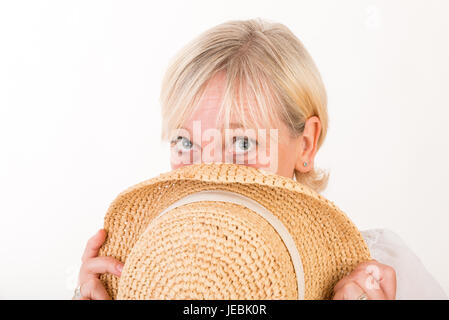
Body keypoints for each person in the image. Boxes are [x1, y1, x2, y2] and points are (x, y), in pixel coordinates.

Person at [73, 18, 447, 300]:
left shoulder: (381, 273)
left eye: (242, 142)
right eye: (186, 142)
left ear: (306, 145)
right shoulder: (142, 276)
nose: (209, 172)